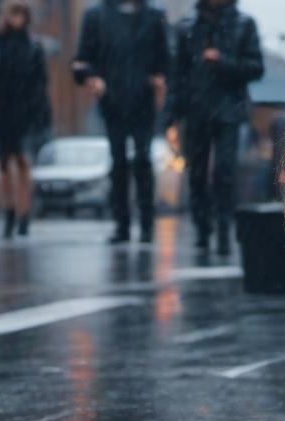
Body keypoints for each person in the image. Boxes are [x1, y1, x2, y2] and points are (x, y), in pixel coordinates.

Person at [165, 0, 264, 255]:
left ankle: (222, 229)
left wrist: (223, 61)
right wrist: (170, 112)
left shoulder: (244, 24)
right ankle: (202, 229)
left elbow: (255, 67)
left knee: (224, 171)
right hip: (195, 111)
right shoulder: (186, 27)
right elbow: (176, 75)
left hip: (228, 110)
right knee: (196, 173)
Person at [73, 0, 169, 244]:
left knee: (142, 160)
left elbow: (166, 56)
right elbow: (83, 58)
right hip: (112, 98)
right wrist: (91, 77)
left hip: (143, 99)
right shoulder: (96, 15)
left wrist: (160, 78)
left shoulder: (154, 15)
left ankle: (146, 224)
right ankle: (122, 224)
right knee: (118, 162)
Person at [0, 2, 50, 238]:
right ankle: (8, 214)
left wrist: (38, 114)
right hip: (1, 113)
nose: (15, 18)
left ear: (26, 18)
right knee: (4, 166)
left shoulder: (34, 48)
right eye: (12, 14)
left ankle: (24, 215)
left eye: (20, 14)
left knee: (23, 163)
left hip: (24, 113)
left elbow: (40, 85)